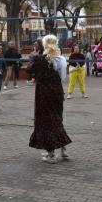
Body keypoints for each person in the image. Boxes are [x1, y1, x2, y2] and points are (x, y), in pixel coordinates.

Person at [27, 34, 71, 164]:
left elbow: (29, 70)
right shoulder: (61, 59)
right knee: (57, 119)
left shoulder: (40, 59)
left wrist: (34, 56)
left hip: (44, 94)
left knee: (46, 122)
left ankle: (51, 154)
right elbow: (63, 76)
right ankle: (63, 149)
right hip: (57, 92)